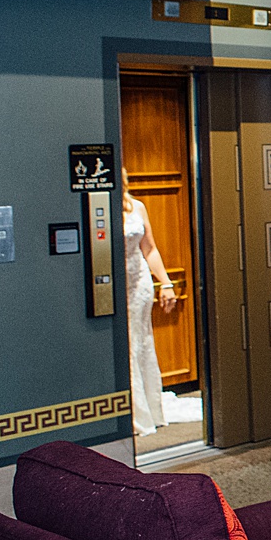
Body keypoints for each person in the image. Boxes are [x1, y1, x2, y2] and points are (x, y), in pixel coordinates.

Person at [123, 187, 177, 436]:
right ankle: (128, 414)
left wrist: (165, 283)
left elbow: (150, 249)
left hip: (139, 283)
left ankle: (146, 412)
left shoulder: (138, 206)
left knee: (139, 341)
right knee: (124, 345)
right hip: (113, 283)